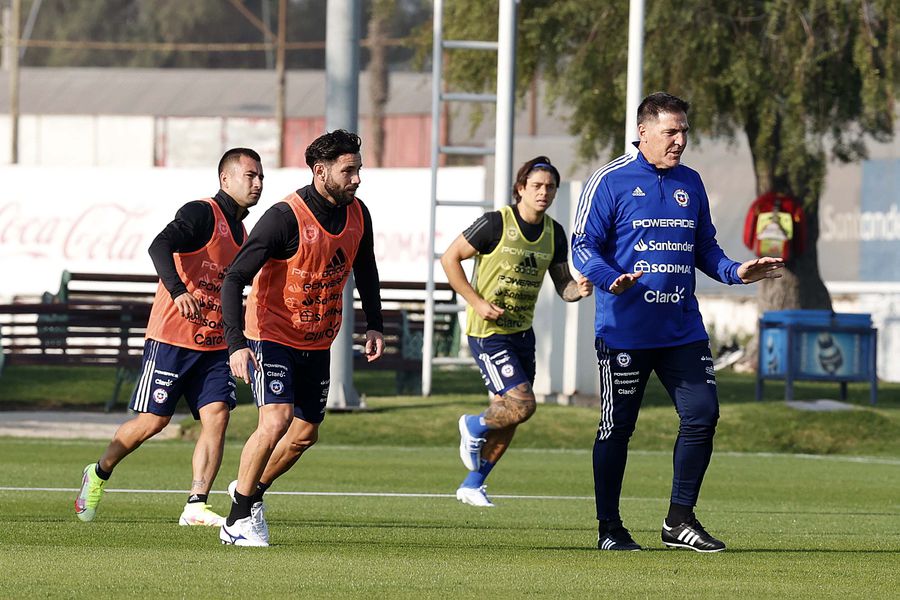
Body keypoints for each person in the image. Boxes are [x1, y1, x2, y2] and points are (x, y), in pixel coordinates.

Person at [571, 92, 784, 552]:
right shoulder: (609, 181)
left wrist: (735, 271)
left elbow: (704, 247)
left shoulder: (691, 181)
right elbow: (582, 246)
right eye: (671, 131)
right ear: (643, 132)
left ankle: (678, 521)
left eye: (684, 131)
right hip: (624, 330)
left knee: (703, 414)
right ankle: (610, 527)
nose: (680, 141)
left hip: (682, 329)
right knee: (617, 428)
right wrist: (612, 280)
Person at [74, 148, 265, 525]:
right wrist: (179, 291)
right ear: (225, 179)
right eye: (250, 176)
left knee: (218, 415)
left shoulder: (242, 232)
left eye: (261, 178)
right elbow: (158, 246)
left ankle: (196, 504)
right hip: (172, 339)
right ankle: (98, 472)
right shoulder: (201, 212)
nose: (257, 184)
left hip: (213, 344)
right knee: (153, 422)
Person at [218, 129, 384, 547]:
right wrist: (236, 343)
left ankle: (250, 490)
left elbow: (366, 270)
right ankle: (236, 520)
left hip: (317, 340)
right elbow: (236, 276)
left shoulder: (358, 214)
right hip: (270, 334)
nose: (357, 179)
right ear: (320, 171)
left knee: (304, 435)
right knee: (275, 420)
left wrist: (375, 324)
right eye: (348, 171)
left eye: (359, 170)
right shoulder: (284, 216)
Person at [442, 156, 593, 508]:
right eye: (537, 186)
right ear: (521, 188)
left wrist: (580, 290)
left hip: (522, 334)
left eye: (550, 187)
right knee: (523, 404)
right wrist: (477, 302)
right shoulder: (496, 224)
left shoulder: (555, 234)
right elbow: (450, 259)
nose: (544, 192)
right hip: (488, 332)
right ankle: (473, 425)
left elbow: (564, 287)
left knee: (510, 412)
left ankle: (473, 484)